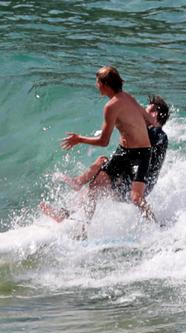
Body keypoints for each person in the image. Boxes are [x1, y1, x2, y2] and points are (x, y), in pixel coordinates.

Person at [39, 67, 169, 223]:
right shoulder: (128, 102)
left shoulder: (156, 134)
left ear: (104, 84)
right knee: (95, 184)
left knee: (134, 197)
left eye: (97, 82)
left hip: (136, 171)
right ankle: (77, 222)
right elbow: (144, 122)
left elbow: (107, 142)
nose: (96, 86)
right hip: (125, 162)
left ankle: (157, 226)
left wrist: (79, 139)